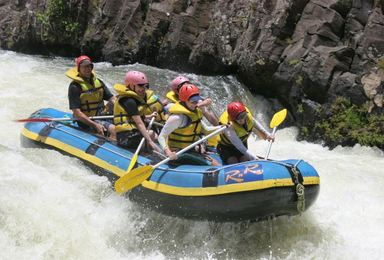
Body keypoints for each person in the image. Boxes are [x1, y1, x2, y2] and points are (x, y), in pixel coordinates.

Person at [158, 84, 221, 165]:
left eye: (197, 100)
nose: (196, 103)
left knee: (215, 163)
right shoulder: (177, 118)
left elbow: (206, 131)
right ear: (184, 101)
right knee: (212, 165)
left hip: (190, 149)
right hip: (177, 152)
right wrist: (168, 152)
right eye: (193, 101)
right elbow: (161, 137)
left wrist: (223, 127)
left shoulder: (194, 113)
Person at [66, 55, 116, 139]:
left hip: (102, 115)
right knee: (114, 130)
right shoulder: (74, 87)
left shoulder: (98, 82)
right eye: (84, 67)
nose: (87, 69)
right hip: (86, 120)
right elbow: (77, 113)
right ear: (79, 68)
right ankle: (113, 146)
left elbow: (111, 98)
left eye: (89, 66)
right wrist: (95, 125)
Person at [113, 70, 161, 153]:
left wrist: (148, 116)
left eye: (146, 86)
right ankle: (157, 154)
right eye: (140, 86)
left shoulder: (135, 99)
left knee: (154, 135)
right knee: (152, 136)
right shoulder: (128, 100)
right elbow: (139, 123)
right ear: (131, 85)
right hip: (126, 137)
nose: (143, 89)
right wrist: (150, 141)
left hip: (133, 132)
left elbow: (132, 117)